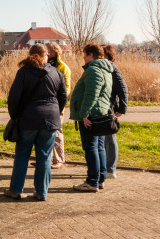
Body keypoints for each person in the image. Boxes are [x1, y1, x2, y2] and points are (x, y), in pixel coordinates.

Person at [4, 44, 67, 201]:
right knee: (45, 157)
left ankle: (16, 190)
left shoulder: (23, 72)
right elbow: (63, 96)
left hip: (28, 120)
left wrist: (15, 116)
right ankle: (41, 192)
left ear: (30, 55)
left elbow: (13, 98)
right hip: (51, 120)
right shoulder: (56, 72)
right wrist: (55, 112)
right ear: (45, 55)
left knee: (22, 155)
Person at [70, 43, 113, 192]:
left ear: (91, 55)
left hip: (91, 115)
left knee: (91, 148)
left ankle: (92, 181)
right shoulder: (106, 69)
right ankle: (100, 179)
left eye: (85, 54)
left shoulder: (93, 70)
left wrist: (84, 114)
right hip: (100, 114)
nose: (83, 57)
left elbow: (90, 95)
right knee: (99, 147)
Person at [102, 45, 129, 179]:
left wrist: (122, 108)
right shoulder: (103, 67)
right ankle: (104, 168)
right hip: (104, 107)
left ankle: (111, 169)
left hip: (110, 107)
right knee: (104, 138)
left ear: (107, 55)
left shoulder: (112, 68)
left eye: (101, 54)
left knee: (110, 138)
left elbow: (123, 88)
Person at [45, 42, 71, 169]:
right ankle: (46, 159)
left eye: (49, 51)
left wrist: (59, 104)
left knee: (57, 132)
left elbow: (66, 89)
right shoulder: (45, 65)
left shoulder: (63, 67)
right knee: (45, 132)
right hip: (46, 105)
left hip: (57, 104)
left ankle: (59, 159)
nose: (47, 53)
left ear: (55, 52)